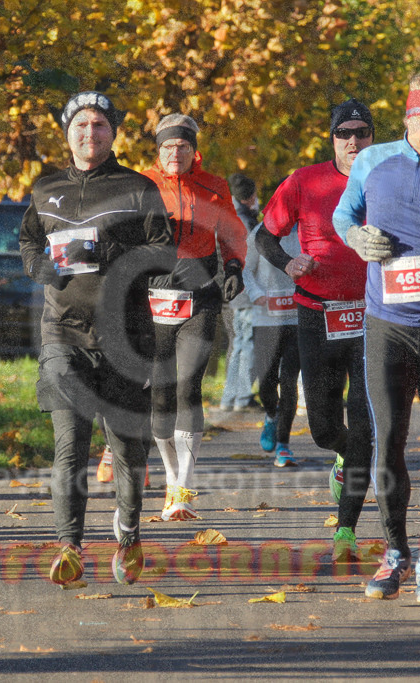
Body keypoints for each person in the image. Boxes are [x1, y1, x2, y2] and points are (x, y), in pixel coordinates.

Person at [19, 91, 172, 585]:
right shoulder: (46, 189)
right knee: (70, 446)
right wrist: (40, 267)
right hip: (63, 334)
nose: (91, 133)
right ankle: (69, 547)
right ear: (67, 132)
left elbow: (162, 252)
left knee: (128, 449)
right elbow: (28, 241)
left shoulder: (138, 188)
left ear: (113, 133)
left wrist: (115, 250)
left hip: (125, 339)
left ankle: (128, 535)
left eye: (100, 126)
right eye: (81, 125)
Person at [334, 74, 420, 602]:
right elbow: (346, 210)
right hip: (387, 323)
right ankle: (394, 553)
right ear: (409, 118)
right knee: (387, 439)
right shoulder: (373, 161)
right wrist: (354, 236)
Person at [256, 98, 374, 563]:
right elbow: (265, 235)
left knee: (364, 420)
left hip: (372, 315)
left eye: (362, 132)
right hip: (316, 313)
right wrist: (289, 262)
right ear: (332, 139)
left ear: (372, 137)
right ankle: (341, 452)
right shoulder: (305, 181)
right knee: (325, 427)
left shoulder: (386, 179)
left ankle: (345, 529)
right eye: (344, 132)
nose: (353, 140)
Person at [144, 114, 247, 520]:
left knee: (188, 384)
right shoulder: (143, 184)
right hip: (152, 300)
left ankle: (184, 488)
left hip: (199, 298)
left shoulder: (214, 186)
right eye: (168, 147)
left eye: (182, 146)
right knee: (159, 393)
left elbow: (233, 233)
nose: (175, 153)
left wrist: (235, 268)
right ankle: (171, 477)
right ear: (158, 150)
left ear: (193, 150)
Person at [244, 220, 300, 467]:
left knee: (289, 381)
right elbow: (245, 269)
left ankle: (283, 445)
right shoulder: (259, 233)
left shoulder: (307, 228)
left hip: (298, 317)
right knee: (266, 381)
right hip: (265, 319)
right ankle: (270, 415)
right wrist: (256, 294)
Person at [219, 173, 259, 412]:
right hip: (245, 292)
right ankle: (241, 397)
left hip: (232, 293)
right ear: (249, 196)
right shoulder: (243, 220)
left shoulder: (227, 214)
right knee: (246, 342)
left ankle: (230, 397)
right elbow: (251, 258)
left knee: (237, 344)